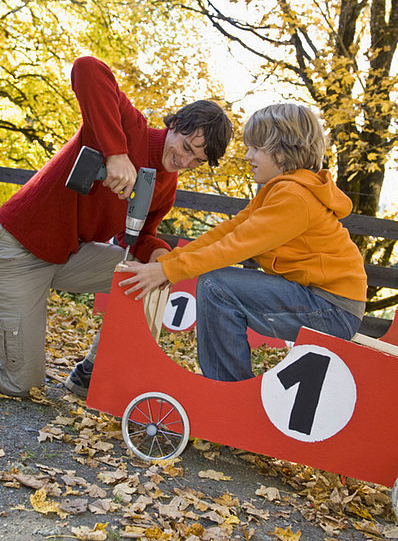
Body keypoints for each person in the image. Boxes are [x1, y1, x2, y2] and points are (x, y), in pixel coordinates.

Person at [0, 56, 233, 397]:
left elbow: (134, 236)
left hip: (68, 255)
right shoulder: (128, 127)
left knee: (150, 276)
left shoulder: (166, 186)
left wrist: (156, 253)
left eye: (197, 161)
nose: (185, 161)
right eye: (185, 147)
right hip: (19, 248)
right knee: (24, 386)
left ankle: (91, 373)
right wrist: (115, 153)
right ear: (176, 124)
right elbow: (87, 68)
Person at [118, 103, 367, 382]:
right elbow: (228, 231)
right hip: (317, 299)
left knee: (217, 285)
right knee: (216, 283)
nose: (248, 156)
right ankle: (227, 386)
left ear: (282, 150)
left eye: (256, 148)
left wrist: (168, 272)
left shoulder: (294, 198)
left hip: (332, 309)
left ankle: (228, 390)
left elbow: (235, 247)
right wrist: (167, 262)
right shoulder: (280, 190)